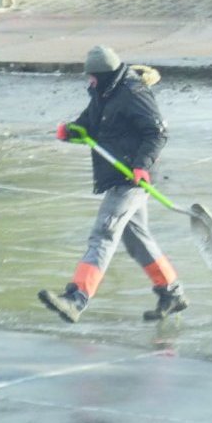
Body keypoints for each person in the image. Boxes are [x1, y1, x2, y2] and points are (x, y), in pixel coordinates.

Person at [39, 46, 187, 323]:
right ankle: (172, 293)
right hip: (118, 173)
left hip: (130, 177)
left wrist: (142, 165)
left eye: (92, 76)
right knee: (136, 240)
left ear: (105, 74)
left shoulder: (133, 93)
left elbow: (157, 132)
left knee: (103, 234)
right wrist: (71, 130)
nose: (89, 81)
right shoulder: (104, 92)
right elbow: (91, 123)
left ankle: (76, 298)